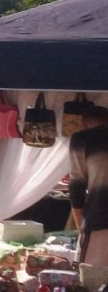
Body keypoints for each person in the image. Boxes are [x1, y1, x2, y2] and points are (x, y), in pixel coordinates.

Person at [69, 106, 108, 267]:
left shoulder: (82, 139)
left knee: (94, 280)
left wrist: (81, 228)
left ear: (84, 124)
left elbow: (77, 187)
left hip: (100, 220)